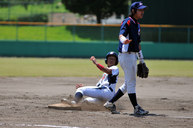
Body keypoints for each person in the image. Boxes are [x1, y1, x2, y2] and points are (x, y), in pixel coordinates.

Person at [104, 1, 149, 115]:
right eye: (140, 10)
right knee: (131, 83)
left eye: (143, 10)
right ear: (133, 11)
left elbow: (138, 44)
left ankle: (110, 103)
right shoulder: (127, 21)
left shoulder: (137, 24)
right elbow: (121, 34)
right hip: (126, 55)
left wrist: (142, 60)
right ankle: (136, 108)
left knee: (127, 83)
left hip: (132, 56)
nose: (142, 12)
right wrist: (124, 40)